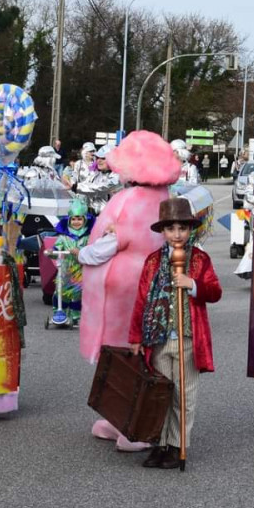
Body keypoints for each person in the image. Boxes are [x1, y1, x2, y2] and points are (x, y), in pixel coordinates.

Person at [77, 131, 180, 452]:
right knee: (144, 352)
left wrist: (80, 255)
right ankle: (122, 418)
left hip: (121, 290)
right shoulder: (169, 200)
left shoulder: (126, 201)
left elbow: (103, 247)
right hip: (154, 286)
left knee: (121, 354)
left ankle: (129, 423)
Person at [129, 198, 222, 469]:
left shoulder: (200, 259)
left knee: (184, 395)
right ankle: (160, 444)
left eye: (182, 228)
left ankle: (177, 445)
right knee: (161, 394)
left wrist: (192, 284)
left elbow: (215, 292)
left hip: (188, 339)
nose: (177, 234)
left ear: (190, 230)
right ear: (163, 231)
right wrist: (135, 337)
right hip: (157, 339)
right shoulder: (152, 262)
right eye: (171, 229)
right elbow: (141, 300)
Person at [51, 198, 94, 323]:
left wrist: (80, 252)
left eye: (79, 219)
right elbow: (57, 249)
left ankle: (77, 315)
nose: (76, 222)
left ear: (85, 220)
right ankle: (60, 313)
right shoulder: (64, 236)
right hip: (65, 268)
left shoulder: (88, 236)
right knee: (61, 290)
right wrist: (53, 252)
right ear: (69, 220)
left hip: (81, 269)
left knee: (78, 292)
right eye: (74, 219)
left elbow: (92, 249)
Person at [76, 144, 121, 214]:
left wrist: (75, 187)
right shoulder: (96, 174)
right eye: (97, 157)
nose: (98, 161)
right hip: (93, 216)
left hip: (112, 219)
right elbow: (86, 188)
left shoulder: (119, 176)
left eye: (103, 158)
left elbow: (101, 188)